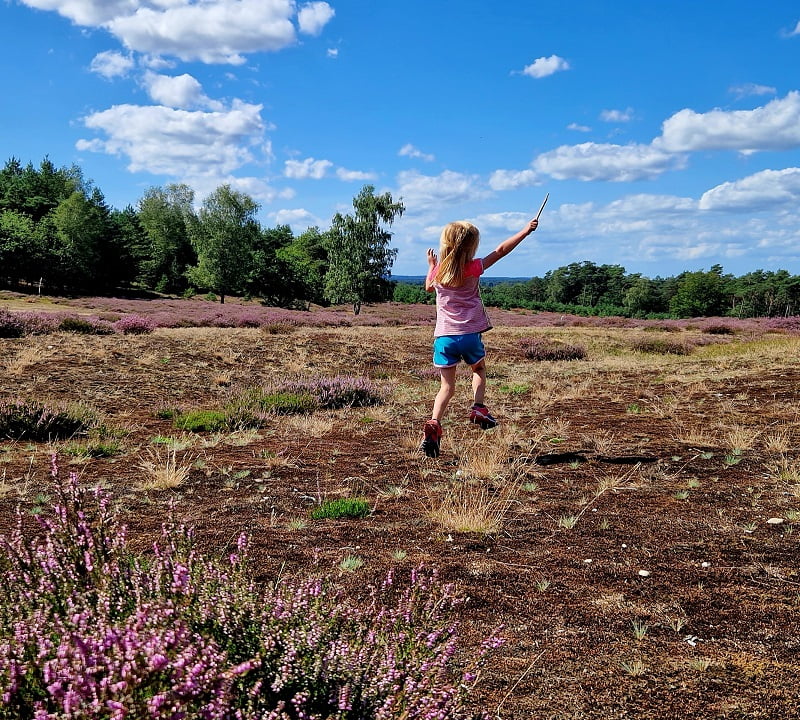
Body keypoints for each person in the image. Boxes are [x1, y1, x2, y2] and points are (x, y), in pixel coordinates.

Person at [419, 217, 539, 457]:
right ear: (471, 246)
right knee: (478, 370)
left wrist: (431, 265)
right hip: (470, 335)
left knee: (446, 386)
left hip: (444, 338)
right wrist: (525, 230)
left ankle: (434, 424)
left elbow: (428, 287)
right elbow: (501, 251)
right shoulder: (473, 268)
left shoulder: (439, 271)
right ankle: (478, 408)